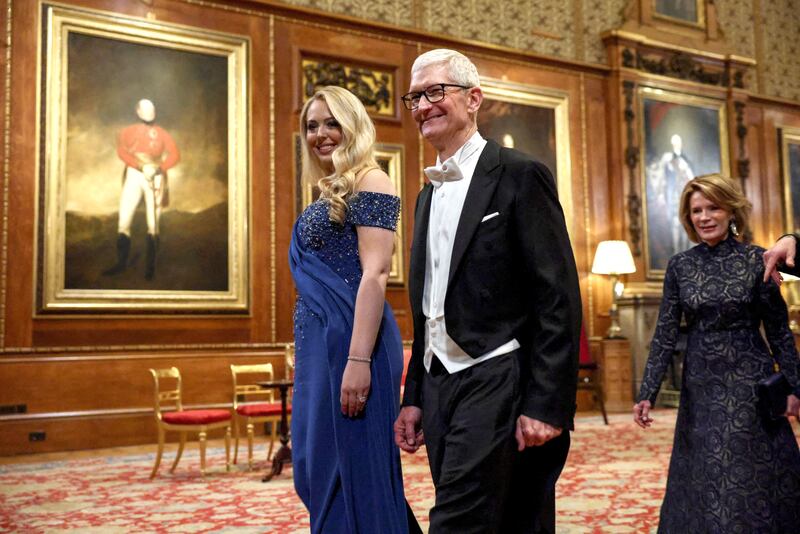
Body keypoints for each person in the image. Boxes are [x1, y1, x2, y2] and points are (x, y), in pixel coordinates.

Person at [393, 49, 582, 533]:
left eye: (436, 92)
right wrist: (414, 394)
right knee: (506, 520)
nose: (422, 106)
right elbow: (429, 307)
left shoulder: (520, 175)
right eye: (415, 96)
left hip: (497, 374)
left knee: (459, 520)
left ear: (473, 98)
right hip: (440, 385)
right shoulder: (425, 194)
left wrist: (546, 403)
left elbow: (557, 297)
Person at [633, 174, 800, 532]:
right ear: (688, 217)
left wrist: (796, 388)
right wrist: (646, 392)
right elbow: (663, 333)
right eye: (696, 210)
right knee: (705, 467)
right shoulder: (679, 266)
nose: (705, 216)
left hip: (749, 381)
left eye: (713, 207)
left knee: (744, 465)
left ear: (731, 211)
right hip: (701, 382)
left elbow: (779, 333)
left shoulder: (758, 259)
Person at [289, 86, 418, 534]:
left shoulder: (372, 181)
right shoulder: (326, 194)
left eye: (331, 123)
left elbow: (376, 273)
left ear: (354, 125)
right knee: (314, 464)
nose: (320, 134)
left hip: (353, 348)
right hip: (319, 349)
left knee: (354, 469)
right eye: (311, 125)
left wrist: (358, 361)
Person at [104, 98, 180, 280]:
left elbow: (175, 155)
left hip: (156, 175)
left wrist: (159, 168)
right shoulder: (127, 131)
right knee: (124, 219)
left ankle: (150, 270)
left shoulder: (162, 133)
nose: (149, 114)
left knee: (153, 224)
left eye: (151, 110)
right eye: (145, 110)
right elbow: (122, 151)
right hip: (134, 173)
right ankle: (121, 264)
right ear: (138, 112)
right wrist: (139, 166)